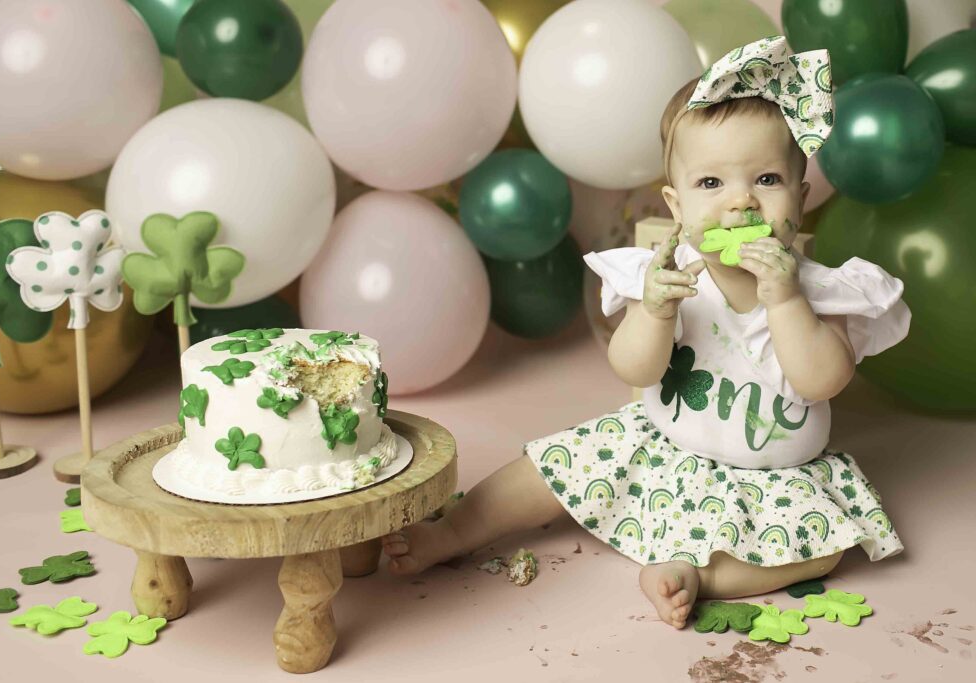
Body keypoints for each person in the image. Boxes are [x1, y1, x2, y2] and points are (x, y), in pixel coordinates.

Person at [381, 36, 910, 629]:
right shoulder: (669, 277)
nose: (740, 203)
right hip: (658, 452)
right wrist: (653, 315)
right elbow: (635, 370)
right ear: (676, 205)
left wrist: (784, 300)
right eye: (711, 184)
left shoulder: (824, 291)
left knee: (827, 547)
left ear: (801, 197)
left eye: (765, 179)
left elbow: (822, 380)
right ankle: (455, 531)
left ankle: (699, 573)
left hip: (774, 483)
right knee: (548, 466)